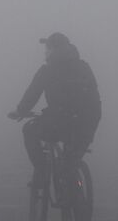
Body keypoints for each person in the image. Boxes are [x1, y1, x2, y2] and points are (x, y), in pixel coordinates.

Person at [8, 33, 101, 194]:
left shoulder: (47, 69)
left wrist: (20, 111)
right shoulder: (84, 66)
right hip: (88, 122)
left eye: (47, 49)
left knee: (29, 130)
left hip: (59, 121)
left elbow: (32, 94)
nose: (45, 53)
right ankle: (76, 196)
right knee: (71, 159)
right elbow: (94, 95)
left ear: (52, 50)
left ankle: (41, 171)